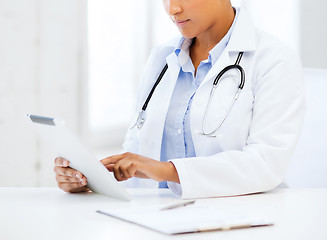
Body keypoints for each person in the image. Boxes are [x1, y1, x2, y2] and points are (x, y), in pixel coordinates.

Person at [54, 0, 305, 199]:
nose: (172, 9)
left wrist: (168, 171)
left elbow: (265, 164)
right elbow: (137, 152)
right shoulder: (162, 58)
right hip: (161, 220)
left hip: (243, 219)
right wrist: (93, 179)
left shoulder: (274, 60)